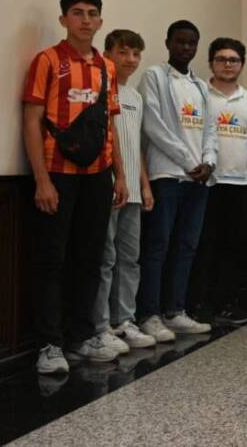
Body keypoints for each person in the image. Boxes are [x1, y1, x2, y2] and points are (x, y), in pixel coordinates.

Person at [23, 0, 129, 373]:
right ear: (63, 19)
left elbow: (109, 125)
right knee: (52, 258)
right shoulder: (47, 60)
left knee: (90, 257)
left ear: (100, 21)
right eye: (77, 13)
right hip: (57, 174)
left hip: (97, 176)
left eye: (92, 13)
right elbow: (32, 120)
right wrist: (41, 180)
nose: (85, 20)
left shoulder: (106, 67)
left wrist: (120, 174)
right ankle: (50, 344)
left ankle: (81, 336)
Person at [138, 20, 217, 338]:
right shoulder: (154, 76)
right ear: (168, 43)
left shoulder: (200, 86)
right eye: (180, 41)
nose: (186, 47)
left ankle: (175, 310)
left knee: (186, 246)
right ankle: (149, 314)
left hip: (198, 180)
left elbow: (210, 129)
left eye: (192, 42)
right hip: (167, 175)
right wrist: (189, 161)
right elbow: (153, 126)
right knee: (157, 245)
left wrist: (209, 161)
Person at [93, 30, 158, 355]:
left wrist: (144, 184)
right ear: (108, 53)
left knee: (130, 259)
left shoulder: (135, 96)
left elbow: (138, 147)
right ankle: (101, 325)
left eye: (136, 53)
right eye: (123, 52)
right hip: (107, 189)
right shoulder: (99, 90)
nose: (130, 59)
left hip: (133, 190)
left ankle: (124, 320)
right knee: (105, 259)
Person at [187, 38, 247, 327]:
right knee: (206, 246)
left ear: (242, 64)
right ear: (211, 63)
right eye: (221, 59)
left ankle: (228, 304)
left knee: (234, 247)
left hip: (240, 183)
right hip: (208, 183)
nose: (228, 64)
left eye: (234, 60)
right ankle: (200, 304)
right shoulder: (200, 94)